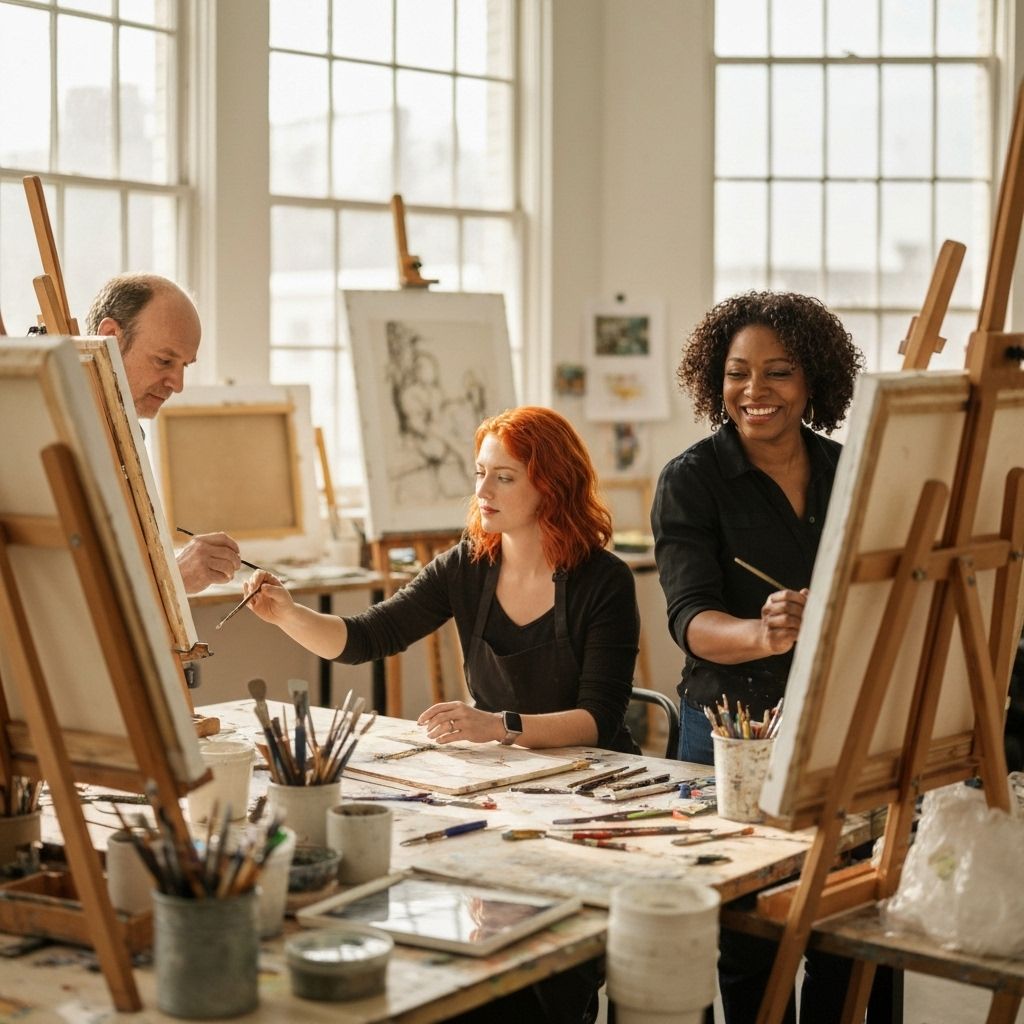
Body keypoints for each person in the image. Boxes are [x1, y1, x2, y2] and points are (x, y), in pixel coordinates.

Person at [652, 290, 886, 1024]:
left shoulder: (852, 471)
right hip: (731, 731)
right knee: (753, 940)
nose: (754, 392)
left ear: (812, 380)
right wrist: (764, 631)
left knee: (849, 933)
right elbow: (689, 621)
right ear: (714, 381)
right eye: (737, 372)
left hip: (836, 724)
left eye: (778, 373)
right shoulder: (691, 480)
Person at [245, 404, 640, 756]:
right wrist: (288, 615)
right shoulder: (465, 567)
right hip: (509, 769)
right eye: (480, 473)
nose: (483, 491)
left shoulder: (605, 581)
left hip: (599, 773)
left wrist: (497, 725)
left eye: (504, 477)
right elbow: (367, 637)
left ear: (551, 487)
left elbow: (598, 721)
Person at [84, 273, 242, 595]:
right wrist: (175, 578)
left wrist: (173, 568)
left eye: (185, 365)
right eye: (164, 360)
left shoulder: (125, 434)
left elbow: (120, 570)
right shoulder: (67, 435)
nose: (178, 384)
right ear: (111, 337)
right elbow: (74, 596)